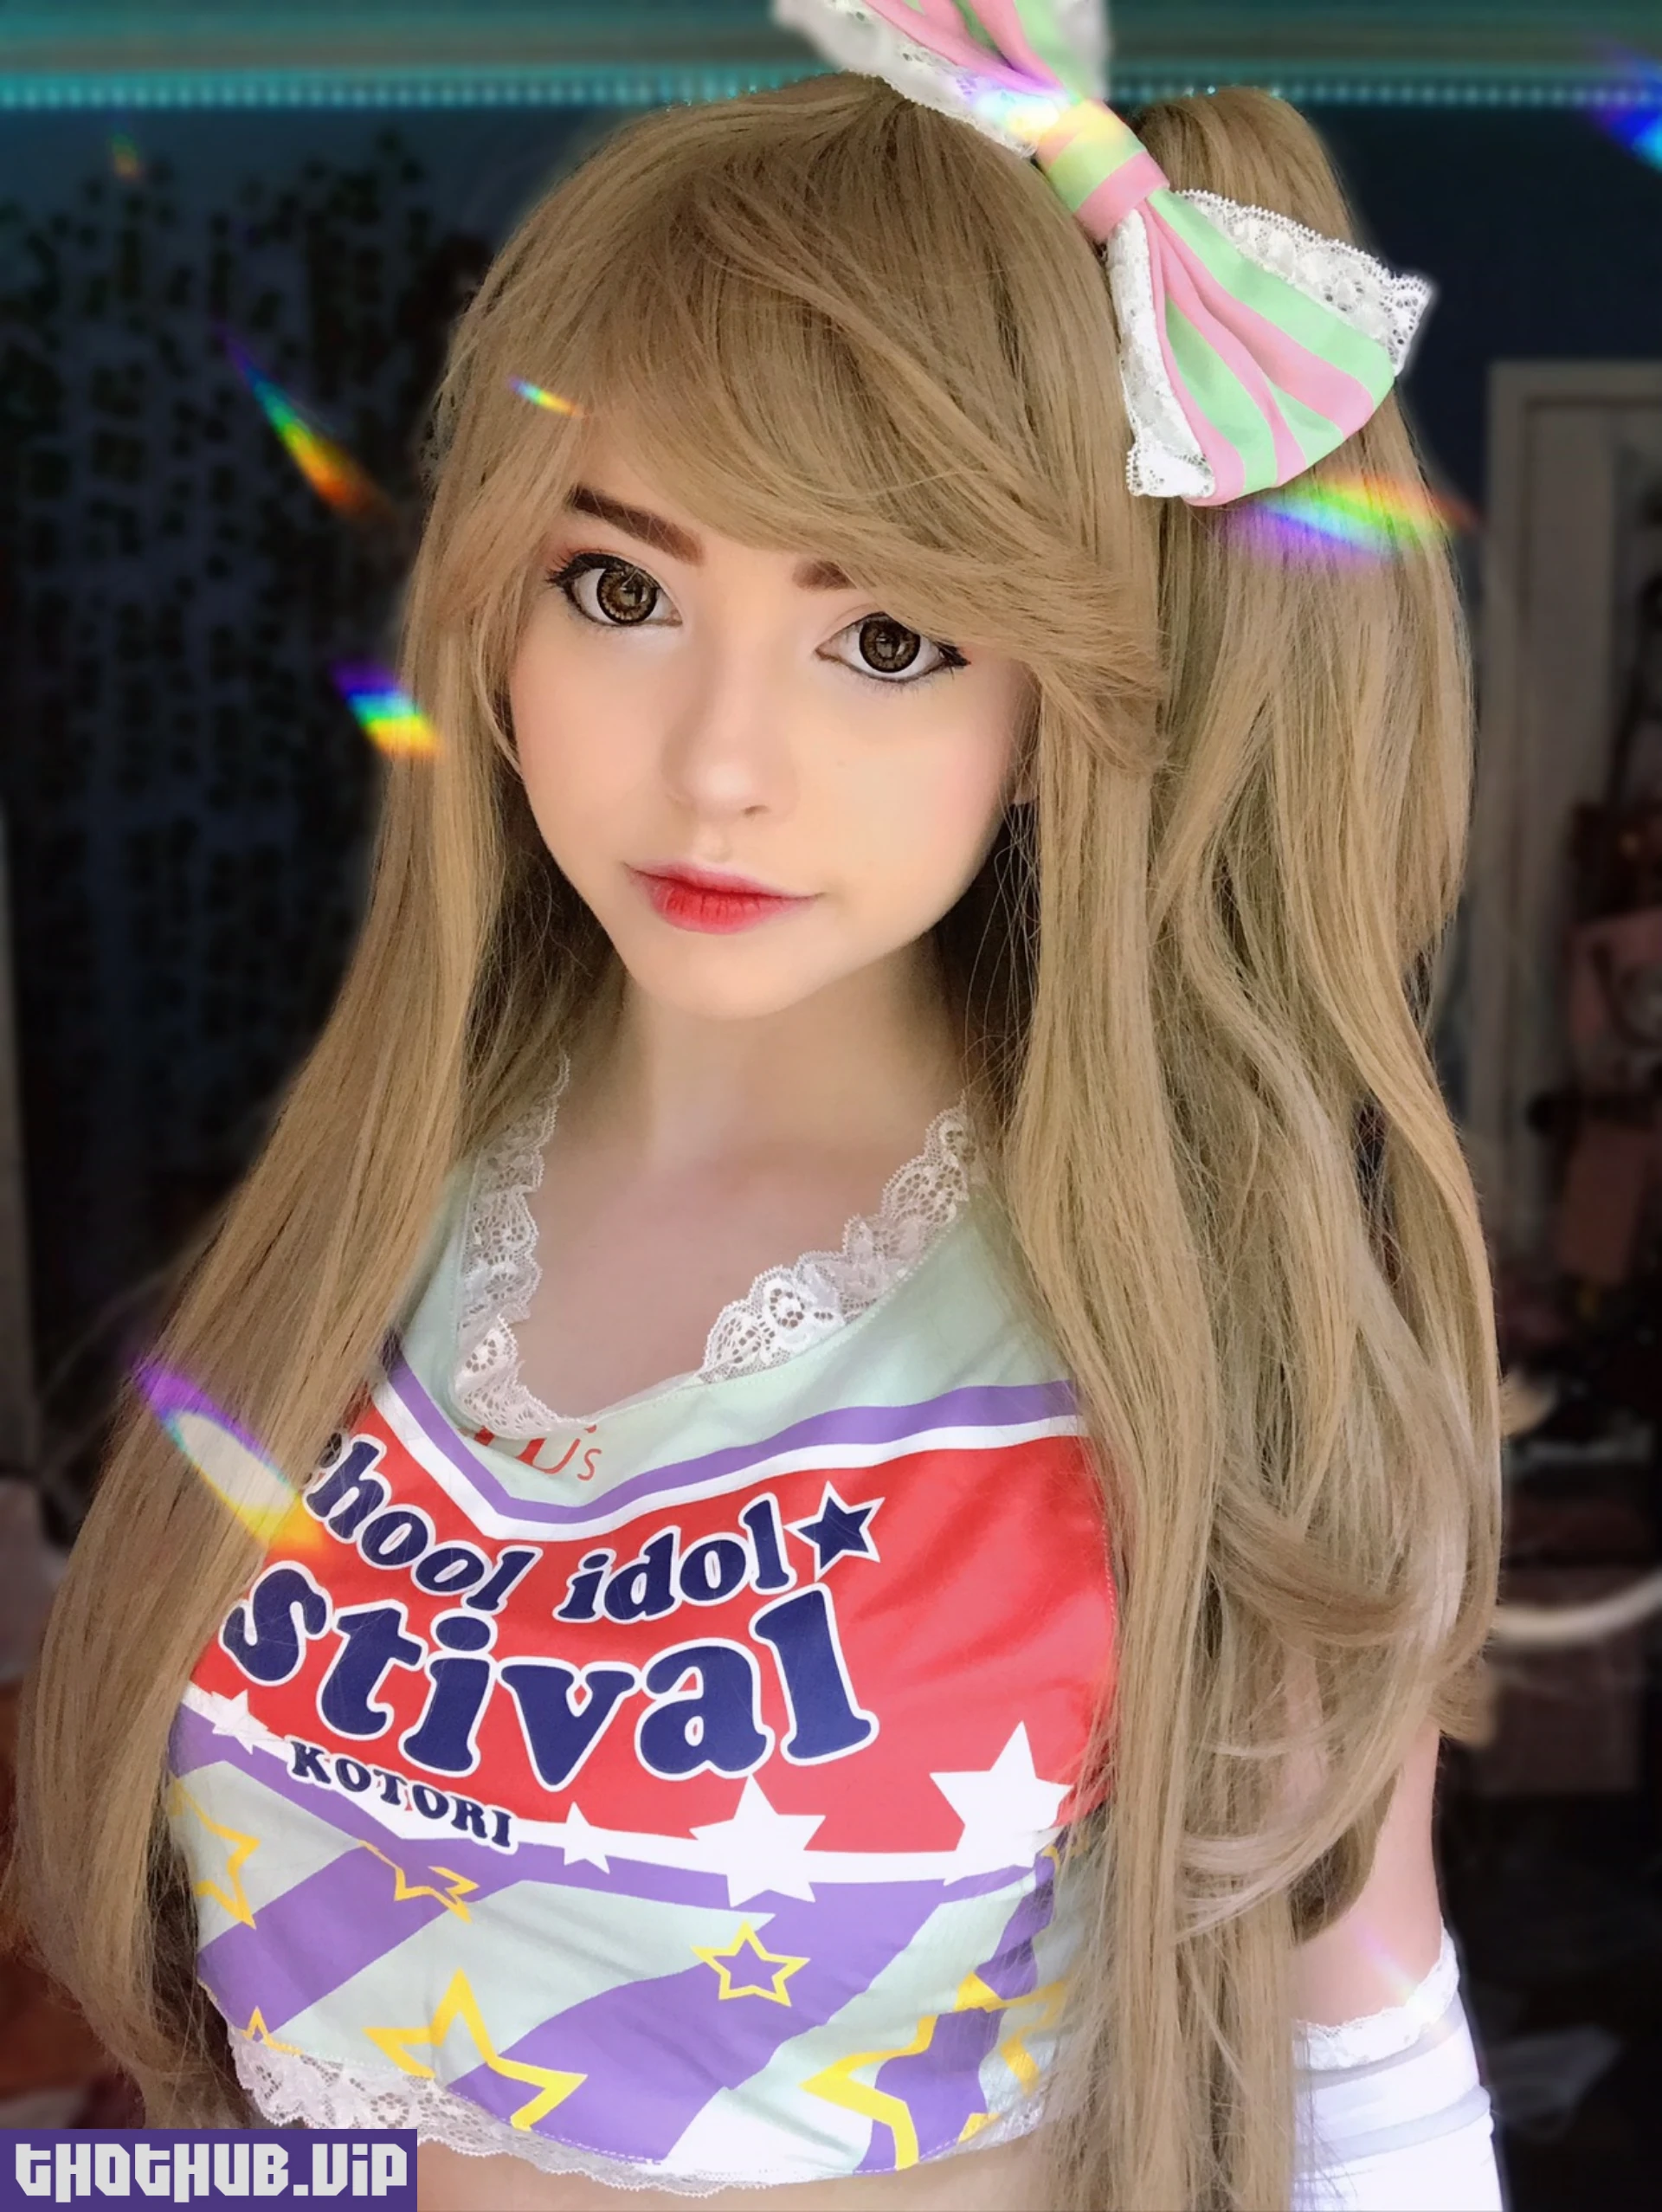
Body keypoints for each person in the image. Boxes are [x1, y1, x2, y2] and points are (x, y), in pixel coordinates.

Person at [5, 4, 1505, 2205]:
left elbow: (1361, 2049)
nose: (719, 761)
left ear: (1064, 706)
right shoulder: (367, 1217)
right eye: (619, 587)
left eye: (886, 639)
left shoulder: (1192, 1326)